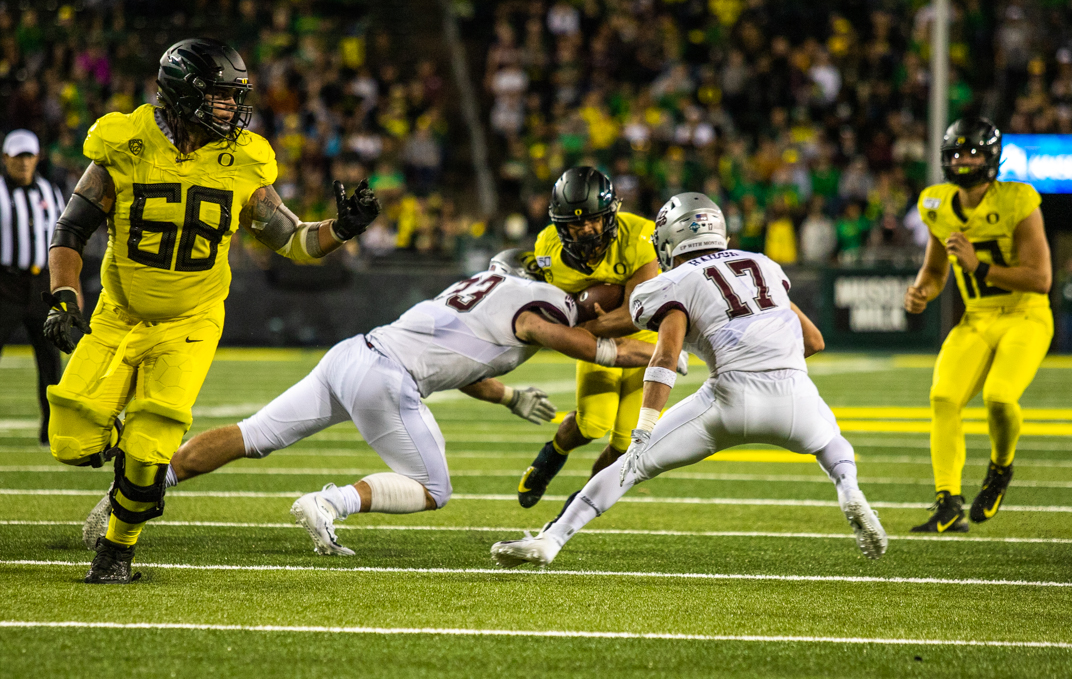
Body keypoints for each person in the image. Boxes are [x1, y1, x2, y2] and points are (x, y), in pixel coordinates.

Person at [45, 38, 381, 584]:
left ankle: (116, 554)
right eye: (221, 96)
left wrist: (340, 228)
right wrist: (65, 298)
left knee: (150, 443)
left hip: (192, 322)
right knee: (70, 441)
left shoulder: (243, 160)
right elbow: (70, 230)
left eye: (234, 97)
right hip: (117, 314)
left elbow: (293, 241)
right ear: (182, 93)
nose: (232, 108)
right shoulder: (124, 141)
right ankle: (134, 468)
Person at [82, 250, 658, 557]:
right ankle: (329, 504)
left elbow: (462, 364)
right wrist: (635, 353)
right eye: (601, 289)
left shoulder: (475, 293)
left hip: (352, 354)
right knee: (434, 490)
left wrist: (508, 397)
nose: (604, 294)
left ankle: (129, 493)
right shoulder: (542, 300)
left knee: (252, 435)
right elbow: (557, 332)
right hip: (385, 376)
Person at [491, 194, 887, 567]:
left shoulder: (673, 280)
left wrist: (645, 427)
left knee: (630, 467)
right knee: (833, 442)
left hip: (731, 399)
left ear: (668, 240)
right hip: (796, 395)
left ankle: (551, 539)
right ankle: (850, 490)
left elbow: (665, 356)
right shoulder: (764, 264)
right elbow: (814, 341)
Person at [904, 117, 1052, 533]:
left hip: (1025, 314)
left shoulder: (1018, 200)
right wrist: (921, 291)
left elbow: (1041, 279)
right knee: (943, 398)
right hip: (977, 319)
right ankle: (947, 500)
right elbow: (934, 271)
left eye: (972, 153)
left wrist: (979, 266)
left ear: (991, 157)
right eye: (956, 153)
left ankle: (1000, 470)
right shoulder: (935, 203)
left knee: (1000, 398)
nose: (964, 160)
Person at [516, 167, 673, 509]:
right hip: (599, 340)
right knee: (592, 423)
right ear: (560, 224)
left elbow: (636, 314)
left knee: (626, 440)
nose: (586, 228)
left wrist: (583, 331)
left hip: (643, 342)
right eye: (575, 222)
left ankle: (582, 502)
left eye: (593, 219)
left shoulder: (640, 236)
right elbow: (550, 308)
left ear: (610, 214)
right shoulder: (548, 248)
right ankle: (549, 458)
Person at [0, 130, 66, 445]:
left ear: (37, 157)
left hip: (43, 285)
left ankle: (52, 429)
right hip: (5, 284)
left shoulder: (51, 192)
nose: (24, 163)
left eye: (29, 156)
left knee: (52, 361)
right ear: (5, 158)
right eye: (18, 156)